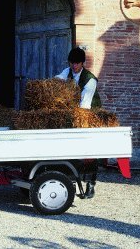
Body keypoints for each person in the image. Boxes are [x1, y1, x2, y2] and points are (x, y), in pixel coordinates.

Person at [55, 47, 101, 198]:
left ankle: (91, 185)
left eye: (77, 63)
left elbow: (84, 105)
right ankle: (69, 181)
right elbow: (56, 81)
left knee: (89, 152)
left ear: (82, 63)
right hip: (72, 114)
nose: (74, 66)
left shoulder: (90, 80)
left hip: (88, 115)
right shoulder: (66, 72)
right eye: (72, 63)